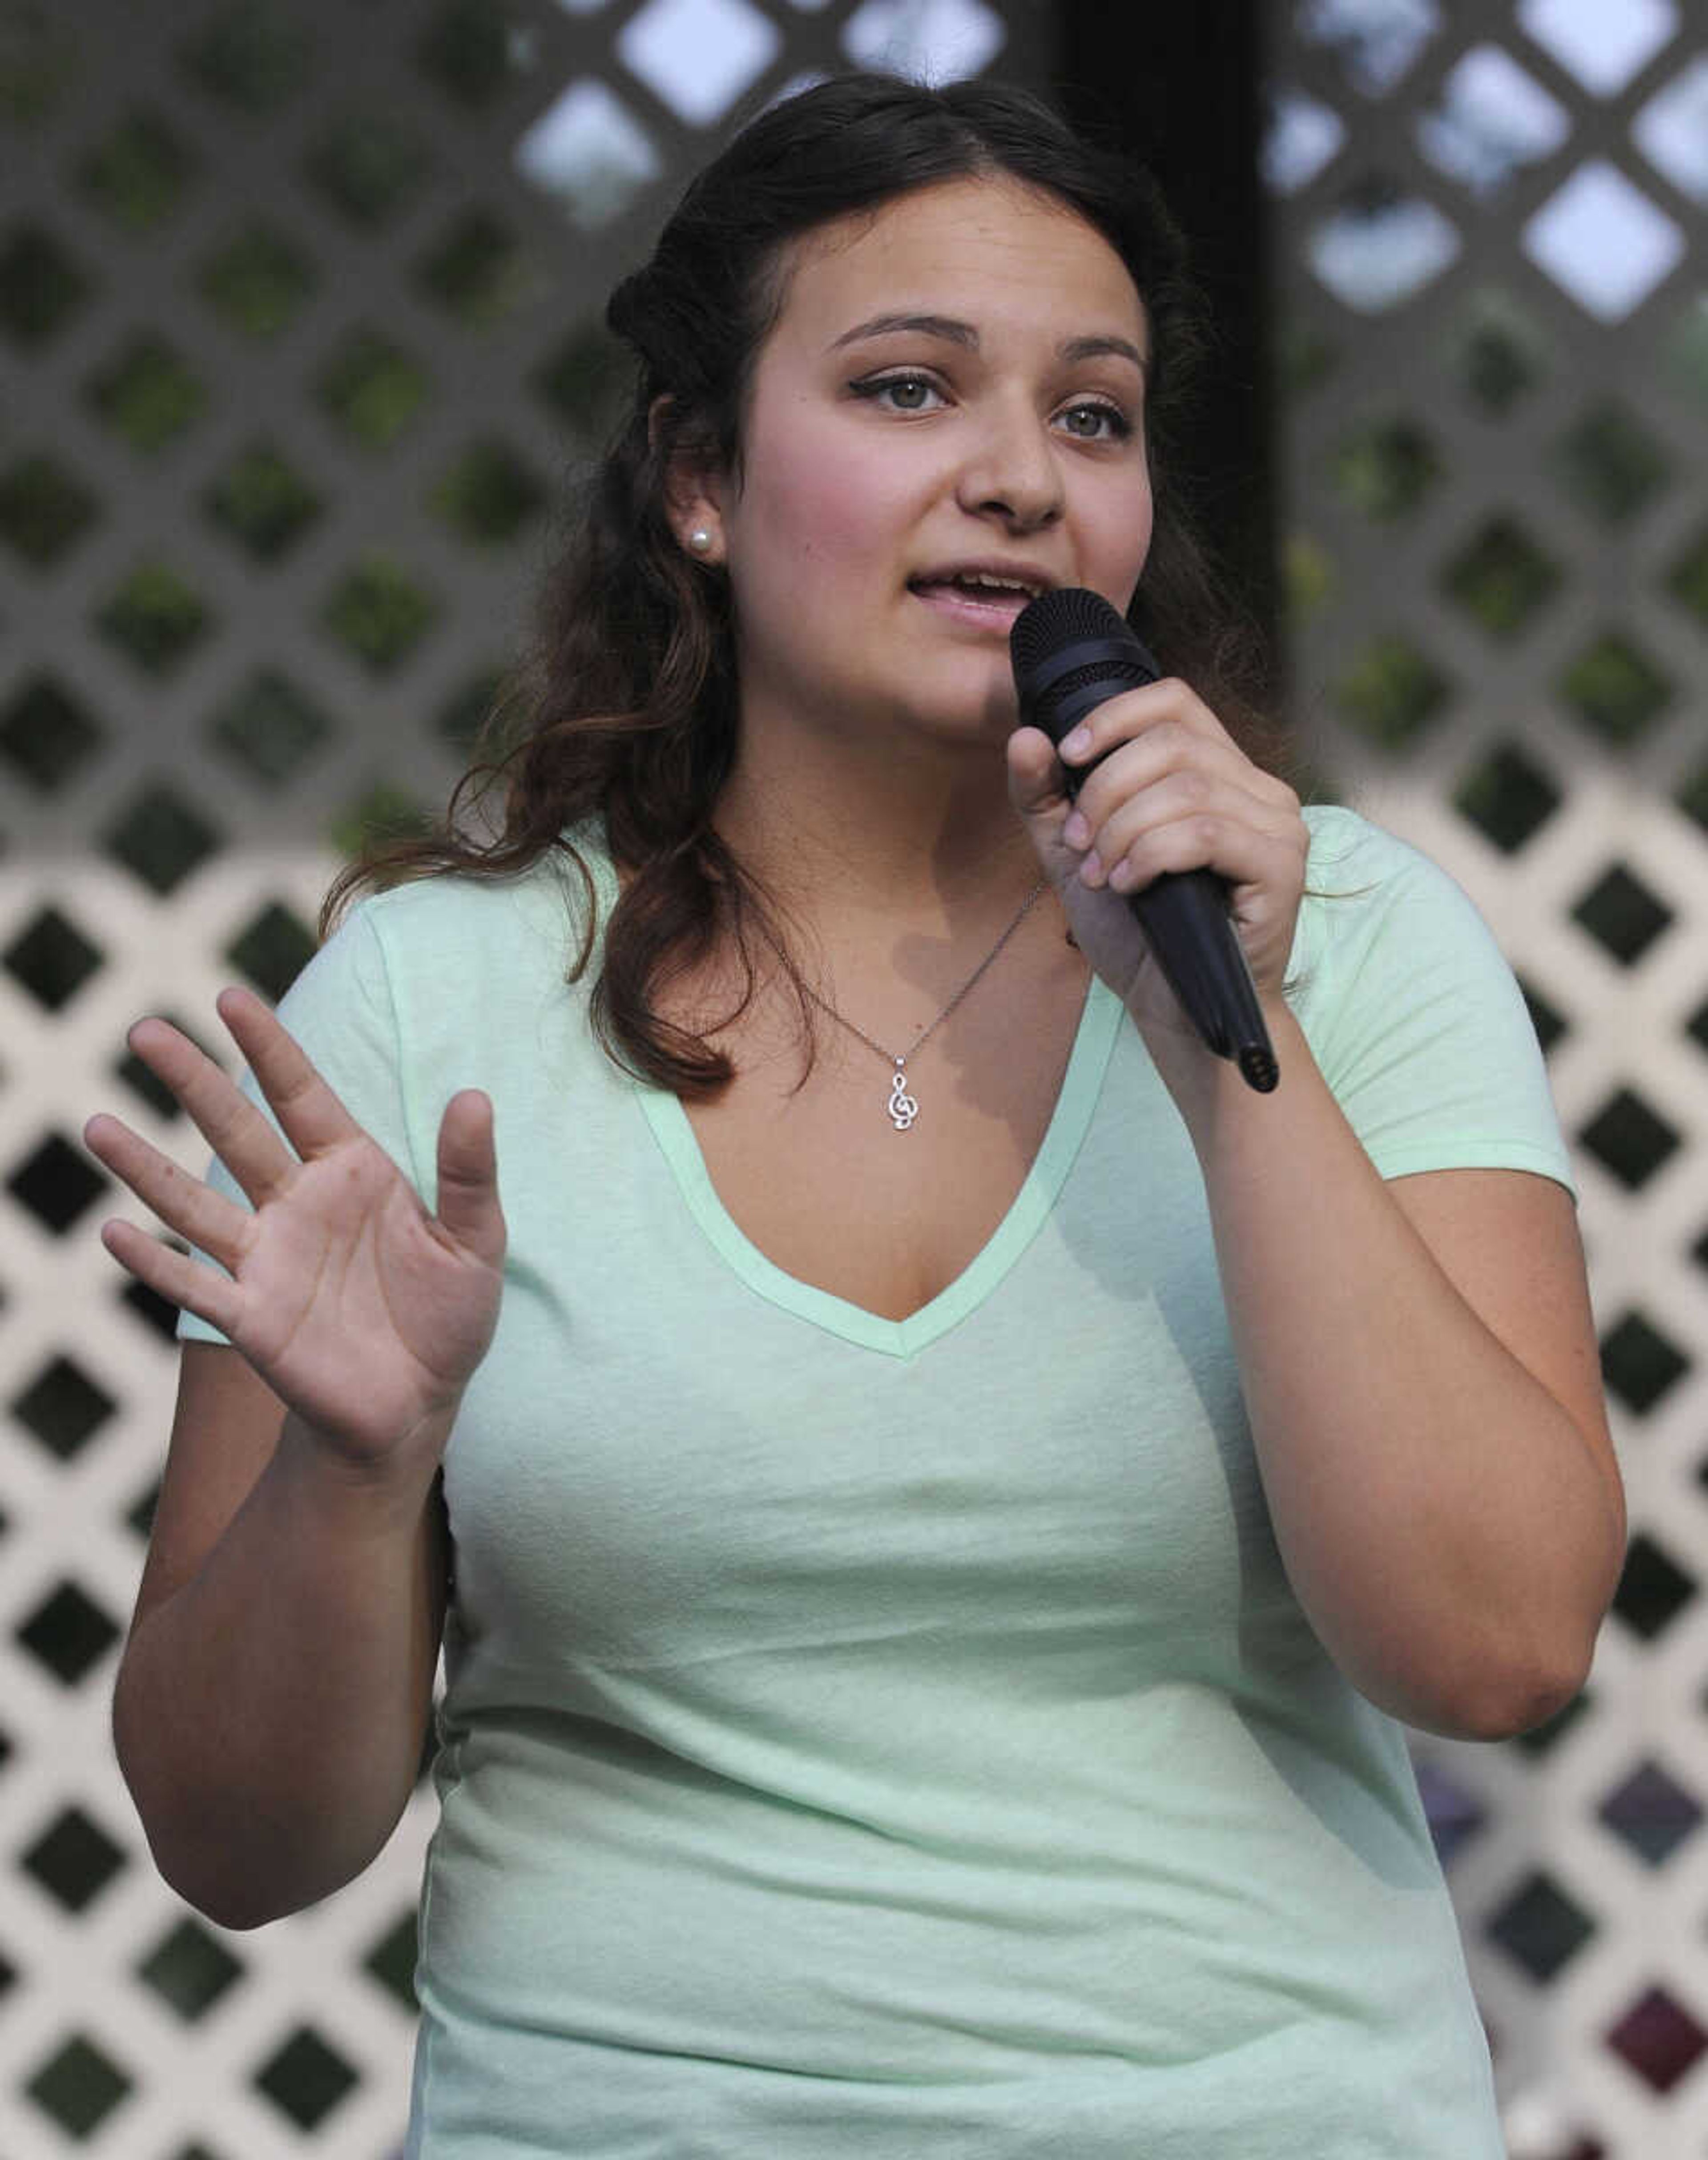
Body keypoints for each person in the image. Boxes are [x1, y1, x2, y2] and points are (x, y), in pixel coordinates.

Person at [84, 72, 1623, 2160]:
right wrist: (356, 1474)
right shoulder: (434, 1003)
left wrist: (1226, 1031)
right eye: (909, 390)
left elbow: (1498, 1642)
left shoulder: (1337, 935)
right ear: (699, 477)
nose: (1018, 476)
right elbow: (235, 1840)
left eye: (1093, 415)